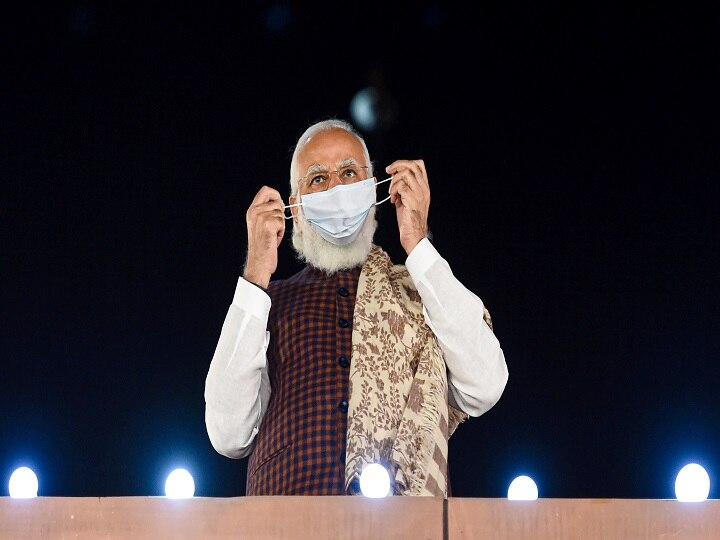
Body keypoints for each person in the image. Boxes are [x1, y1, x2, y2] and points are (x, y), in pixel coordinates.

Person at [204, 118, 508, 496]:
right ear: (294, 209)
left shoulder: (423, 294)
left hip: (402, 523)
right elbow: (228, 433)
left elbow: (486, 385)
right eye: (317, 179)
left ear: (374, 190)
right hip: (285, 520)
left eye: (349, 172)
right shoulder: (268, 304)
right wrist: (255, 274)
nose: (336, 188)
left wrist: (417, 243)